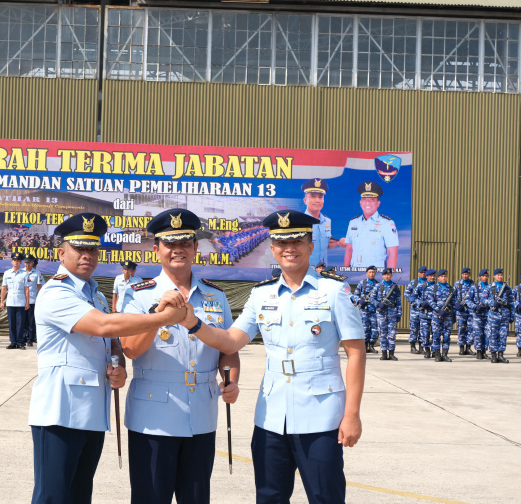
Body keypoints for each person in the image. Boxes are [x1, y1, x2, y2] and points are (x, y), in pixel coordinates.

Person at [169, 209, 365, 504]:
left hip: (321, 416)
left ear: (310, 246)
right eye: (281, 243)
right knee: (269, 497)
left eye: (297, 241)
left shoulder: (334, 291)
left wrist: (351, 415)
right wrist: (193, 323)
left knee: (326, 497)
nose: (289, 249)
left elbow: (356, 353)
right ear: (272, 248)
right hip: (271, 417)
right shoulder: (262, 294)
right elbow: (231, 340)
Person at [28, 212, 185, 504]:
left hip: (91, 411)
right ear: (61, 253)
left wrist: (119, 366)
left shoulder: (97, 296)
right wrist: (162, 318)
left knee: (79, 495)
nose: (87, 255)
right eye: (79, 249)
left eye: (92, 249)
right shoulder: (56, 293)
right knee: (53, 496)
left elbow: (111, 343)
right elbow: (103, 326)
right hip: (59, 412)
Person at [120, 208, 239, 504]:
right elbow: (131, 348)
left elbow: (229, 349)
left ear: (196, 247)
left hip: (202, 414)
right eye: (170, 244)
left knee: (196, 498)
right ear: (156, 249)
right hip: (153, 417)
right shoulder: (139, 294)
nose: (178, 251)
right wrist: (158, 314)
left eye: (185, 243)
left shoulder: (216, 296)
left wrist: (231, 379)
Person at [343, 181, 398, 269]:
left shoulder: (387, 223)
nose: (367, 202)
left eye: (372, 199)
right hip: (354, 272)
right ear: (360, 202)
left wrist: (388, 278)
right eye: (364, 199)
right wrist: (345, 271)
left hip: (377, 274)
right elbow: (349, 249)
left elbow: (393, 254)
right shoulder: (353, 222)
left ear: (378, 203)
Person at [301, 178, 343, 267]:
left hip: (323, 268)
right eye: (313, 196)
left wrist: (338, 243)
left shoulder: (327, 221)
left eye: (320, 197)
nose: (317, 200)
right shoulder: (300, 221)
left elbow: (325, 244)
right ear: (305, 200)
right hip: (305, 269)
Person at [371, 267, 402, 360]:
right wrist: (378, 304)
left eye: (388, 274)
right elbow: (371, 298)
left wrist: (399, 314)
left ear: (391, 275)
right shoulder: (378, 286)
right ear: (382, 276)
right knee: (382, 333)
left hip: (392, 313)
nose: (387, 276)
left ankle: (391, 353)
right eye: (385, 275)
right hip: (381, 313)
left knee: (392, 334)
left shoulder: (395, 287)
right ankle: (384, 353)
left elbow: (398, 302)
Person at [2, 251, 30, 350]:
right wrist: (2, 301)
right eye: (14, 260)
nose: (16, 262)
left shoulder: (24, 274)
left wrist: (27, 302)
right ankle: (13, 342)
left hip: (21, 301)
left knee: (20, 323)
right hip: (10, 301)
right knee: (12, 323)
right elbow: (4, 288)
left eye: (18, 260)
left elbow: (27, 288)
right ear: (11, 261)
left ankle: (20, 342)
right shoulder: (7, 273)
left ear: (21, 262)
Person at [484, 268, 511, 363]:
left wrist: (511, 316)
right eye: (498, 275)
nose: (500, 276)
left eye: (501, 275)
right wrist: (492, 302)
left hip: (504, 315)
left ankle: (501, 355)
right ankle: (494, 355)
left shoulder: (507, 288)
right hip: (493, 315)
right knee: (493, 335)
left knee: (503, 335)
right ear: (494, 276)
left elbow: (511, 303)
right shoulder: (489, 287)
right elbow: (483, 300)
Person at [351, 266, 379, 353]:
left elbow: (381, 297)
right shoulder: (362, 283)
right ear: (367, 273)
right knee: (365, 328)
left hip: (374, 310)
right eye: (370, 272)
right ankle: (364, 345)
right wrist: (359, 301)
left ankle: (371, 345)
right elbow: (354, 295)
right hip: (364, 309)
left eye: (373, 272)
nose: (371, 274)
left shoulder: (378, 284)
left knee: (375, 329)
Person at [429, 269, 454, 362]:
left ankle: (445, 354)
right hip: (437, 315)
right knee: (436, 335)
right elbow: (430, 301)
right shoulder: (433, 288)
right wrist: (438, 310)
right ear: (438, 277)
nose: (444, 278)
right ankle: (437, 354)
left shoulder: (450, 289)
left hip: (447, 316)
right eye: (442, 276)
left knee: (447, 335)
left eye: (445, 276)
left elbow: (453, 302)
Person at [467, 269, 491, 360]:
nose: (485, 278)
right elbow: (467, 299)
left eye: (486, 276)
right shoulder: (474, 287)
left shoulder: (490, 287)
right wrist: (474, 306)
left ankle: (484, 351)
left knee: (487, 333)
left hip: (487, 313)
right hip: (477, 314)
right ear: (480, 277)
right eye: (483, 276)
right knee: (478, 333)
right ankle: (478, 351)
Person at [404, 266, 427, 354]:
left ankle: (422, 347)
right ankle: (413, 347)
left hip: (424, 310)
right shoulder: (414, 283)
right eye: (421, 272)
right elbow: (406, 293)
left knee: (423, 328)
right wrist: (414, 302)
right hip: (415, 310)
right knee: (414, 328)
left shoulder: (428, 283)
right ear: (418, 273)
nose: (423, 274)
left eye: (425, 272)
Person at [453, 268, 475, 355]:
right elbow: (452, 297)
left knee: (471, 329)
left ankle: (468, 347)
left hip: (470, 310)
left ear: (469, 275)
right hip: (461, 310)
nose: (465, 276)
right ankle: (461, 348)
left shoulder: (473, 284)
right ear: (461, 274)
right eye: (463, 274)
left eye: (467, 274)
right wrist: (456, 305)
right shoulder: (457, 284)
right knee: (461, 329)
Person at [24, 254, 43, 346]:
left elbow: (39, 288)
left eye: (29, 262)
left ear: (32, 263)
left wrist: (39, 301)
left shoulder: (37, 273)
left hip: (32, 300)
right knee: (23, 320)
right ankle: (23, 337)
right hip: (22, 300)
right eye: (26, 262)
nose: (27, 264)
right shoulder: (21, 272)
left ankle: (30, 338)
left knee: (31, 321)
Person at [418, 269, 437, 358]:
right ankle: (427, 350)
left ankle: (434, 350)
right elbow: (412, 297)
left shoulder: (438, 286)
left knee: (435, 333)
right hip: (424, 314)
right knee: (425, 333)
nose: (432, 277)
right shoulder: (421, 286)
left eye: (433, 275)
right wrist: (420, 303)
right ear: (427, 276)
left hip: (435, 313)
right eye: (430, 276)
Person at [513, 275, 521, 357]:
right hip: (519, 314)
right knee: (519, 333)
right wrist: (517, 304)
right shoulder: (516, 288)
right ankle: (520, 349)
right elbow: (510, 298)